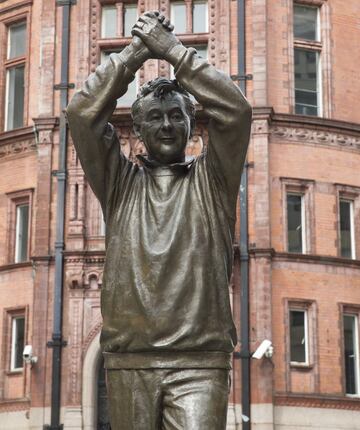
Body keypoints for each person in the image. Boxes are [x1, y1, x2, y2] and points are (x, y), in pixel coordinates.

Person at [67, 11, 252, 430]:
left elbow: (237, 113)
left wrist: (172, 51)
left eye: (176, 116)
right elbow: (81, 115)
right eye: (155, 116)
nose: (167, 124)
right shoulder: (119, 184)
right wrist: (134, 53)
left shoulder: (214, 181)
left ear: (192, 126)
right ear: (136, 128)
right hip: (130, 360)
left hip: (200, 362)